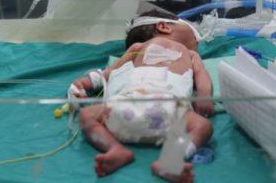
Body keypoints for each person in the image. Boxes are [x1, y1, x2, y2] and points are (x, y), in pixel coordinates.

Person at [70, 10, 213, 183]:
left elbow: (201, 76)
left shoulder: (191, 55)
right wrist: (84, 84)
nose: (197, 42)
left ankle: (170, 162)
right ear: (163, 26)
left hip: (166, 105)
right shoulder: (139, 48)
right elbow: (111, 73)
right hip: (134, 101)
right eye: (194, 35)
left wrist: (204, 96)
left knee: (203, 126)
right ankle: (116, 150)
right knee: (86, 115)